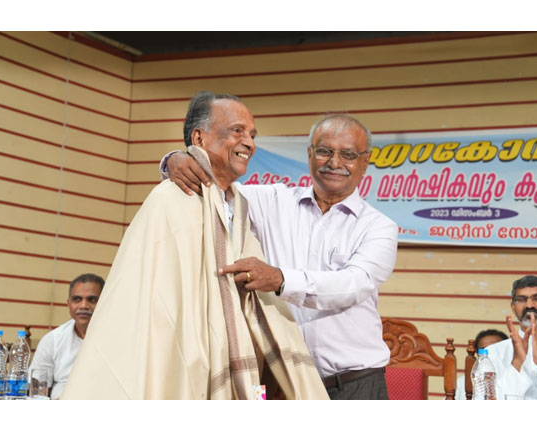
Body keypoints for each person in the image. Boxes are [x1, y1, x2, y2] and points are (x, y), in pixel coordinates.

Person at [61, 91, 327, 400]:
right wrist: (174, 158)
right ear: (199, 137)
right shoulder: (170, 199)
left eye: (252, 135)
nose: (249, 143)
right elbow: (154, 300)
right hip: (183, 354)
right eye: (237, 131)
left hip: (238, 353)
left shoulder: (240, 203)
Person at [162, 112, 399, 399]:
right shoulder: (272, 201)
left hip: (354, 387)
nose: (335, 163)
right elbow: (215, 190)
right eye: (325, 151)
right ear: (310, 154)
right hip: (281, 383)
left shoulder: (379, 226)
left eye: (348, 154)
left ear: (365, 161)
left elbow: (354, 284)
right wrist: (173, 160)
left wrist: (280, 279)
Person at [28, 273, 104, 399]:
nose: (83, 306)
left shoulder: (120, 340)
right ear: (68, 304)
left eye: (92, 300)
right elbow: (37, 392)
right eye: (77, 299)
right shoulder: (53, 340)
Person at [486, 275, 537, 399]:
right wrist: (516, 363)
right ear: (513, 308)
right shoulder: (493, 352)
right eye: (521, 299)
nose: (529, 305)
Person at [454, 328, 508, 400]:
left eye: (495, 348)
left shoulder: (514, 379)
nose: (490, 353)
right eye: (485, 349)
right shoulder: (462, 382)